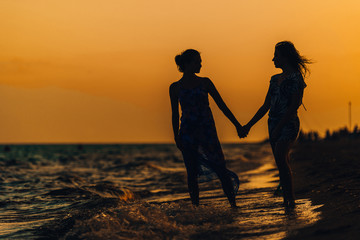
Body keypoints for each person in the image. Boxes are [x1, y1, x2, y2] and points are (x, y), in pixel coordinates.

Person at [169, 49, 245, 208]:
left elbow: (222, 106)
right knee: (191, 173)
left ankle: (233, 205)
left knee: (221, 168)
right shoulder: (175, 87)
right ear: (188, 64)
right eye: (197, 61)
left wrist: (237, 125)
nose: (201, 64)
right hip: (187, 134)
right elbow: (175, 114)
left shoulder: (205, 82)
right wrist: (176, 137)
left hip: (207, 132)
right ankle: (196, 208)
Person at [243, 41, 311, 208]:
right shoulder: (274, 80)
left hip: (288, 123)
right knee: (281, 162)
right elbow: (266, 105)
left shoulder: (296, 78)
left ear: (285, 57)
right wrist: (248, 125)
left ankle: (291, 200)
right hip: (272, 123)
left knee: (281, 159)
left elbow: (295, 104)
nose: (273, 59)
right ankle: (286, 199)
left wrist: (280, 126)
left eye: (276, 55)